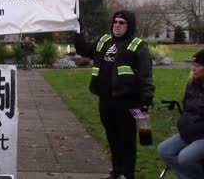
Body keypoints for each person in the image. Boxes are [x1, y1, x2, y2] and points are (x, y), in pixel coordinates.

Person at [74, 10, 155, 179]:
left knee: (127, 141)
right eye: (115, 22)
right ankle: (116, 171)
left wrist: (146, 100)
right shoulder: (104, 40)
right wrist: (78, 30)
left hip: (127, 101)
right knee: (112, 138)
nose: (117, 25)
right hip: (105, 100)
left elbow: (145, 75)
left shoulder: (137, 46)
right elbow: (83, 49)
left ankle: (127, 174)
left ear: (129, 25)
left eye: (121, 23)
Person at [157, 50, 204, 179]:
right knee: (164, 150)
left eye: (198, 66)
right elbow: (188, 107)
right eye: (192, 65)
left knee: (185, 157)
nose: (193, 69)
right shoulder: (193, 84)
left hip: (201, 134)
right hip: (190, 132)